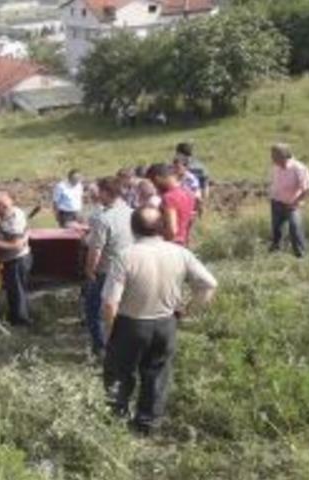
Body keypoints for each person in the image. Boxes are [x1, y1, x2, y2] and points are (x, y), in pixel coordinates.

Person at [102, 207, 218, 435]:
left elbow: (110, 302)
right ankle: (147, 425)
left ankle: (116, 422)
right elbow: (209, 284)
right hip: (166, 322)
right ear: (162, 227)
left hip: (130, 323)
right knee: (156, 374)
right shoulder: (179, 253)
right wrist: (189, 310)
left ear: (133, 228)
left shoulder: (126, 256)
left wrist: (109, 331)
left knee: (119, 373)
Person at [83, 177, 134, 359]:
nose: (97, 196)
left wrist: (90, 271)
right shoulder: (131, 212)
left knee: (94, 310)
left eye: (99, 192)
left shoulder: (103, 219)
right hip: (130, 269)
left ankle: (101, 348)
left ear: (106, 192)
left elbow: (95, 249)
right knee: (123, 310)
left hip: (107, 271)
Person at [0, 191, 33, 326]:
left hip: (17, 260)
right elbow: (27, 231)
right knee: (17, 291)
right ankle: (17, 318)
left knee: (17, 293)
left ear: (3, 206)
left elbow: (16, 245)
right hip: (20, 258)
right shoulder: (16, 211)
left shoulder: (12, 222)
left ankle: (22, 323)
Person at [268, 143, 309, 258]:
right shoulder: (276, 167)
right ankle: (276, 253)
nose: (272, 159)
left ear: (283, 156)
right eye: (272, 156)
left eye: (275, 156)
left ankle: (300, 255)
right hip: (277, 202)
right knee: (277, 230)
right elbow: (275, 183)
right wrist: (272, 196)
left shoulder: (299, 168)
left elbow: (307, 189)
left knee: (295, 228)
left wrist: (295, 202)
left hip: (293, 205)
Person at [151, 163, 195, 247]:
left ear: (158, 178)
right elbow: (190, 221)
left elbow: (172, 230)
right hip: (183, 243)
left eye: (154, 182)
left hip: (171, 245)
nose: (155, 187)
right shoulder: (188, 193)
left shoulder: (169, 197)